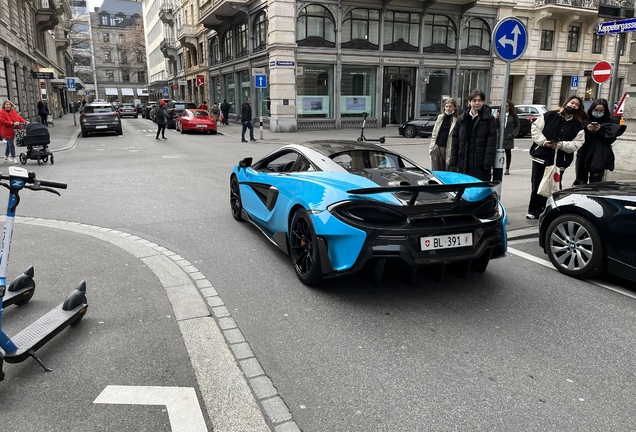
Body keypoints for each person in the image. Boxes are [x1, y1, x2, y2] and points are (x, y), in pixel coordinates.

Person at [526, 95, 586, 219]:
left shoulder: (577, 125)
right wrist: (544, 142)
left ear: (578, 109)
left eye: (576, 105)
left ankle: (550, 211)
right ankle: (534, 210)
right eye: (572, 103)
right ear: (566, 103)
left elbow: (577, 143)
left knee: (554, 186)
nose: (573, 106)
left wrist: (561, 145)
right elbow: (535, 128)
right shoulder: (550, 116)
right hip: (541, 156)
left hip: (560, 160)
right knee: (537, 184)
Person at [449, 89, 497, 181]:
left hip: (480, 164)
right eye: (474, 100)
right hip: (464, 163)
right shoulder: (462, 119)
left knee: (479, 191)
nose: (477, 103)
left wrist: (487, 163)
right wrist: (453, 162)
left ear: (483, 102)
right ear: (469, 102)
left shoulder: (489, 119)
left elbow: (491, 142)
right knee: (464, 191)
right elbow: (455, 142)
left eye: (480, 100)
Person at [574, 98, 625, 184]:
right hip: (583, 154)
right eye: (596, 110)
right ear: (592, 109)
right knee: (580, 181)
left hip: (599, 156)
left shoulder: (609, 122)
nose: (598, 113)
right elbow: (577, 137)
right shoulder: (585, 120)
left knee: (595, 182)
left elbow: (611, 139)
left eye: (601, 111)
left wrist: (600, 130)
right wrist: (588, 130)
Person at [428, 98, 458, 171]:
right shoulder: (440, 117)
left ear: (454, 107)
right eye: (446, 106)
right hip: (437, 148)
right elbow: (434, 133)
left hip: (449, 149)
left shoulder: (457, 119)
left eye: (450, 106)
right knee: (436, 172)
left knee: (447, 171)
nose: (448, 108)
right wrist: (432, 149)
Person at [500, 100, 520, 175]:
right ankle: (495, 167)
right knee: (497, 152)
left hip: (508, 136)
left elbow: (517, 126)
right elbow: (495, 125)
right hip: (500, 136)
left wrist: (513, 134)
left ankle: (507, 168)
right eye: (503, 106)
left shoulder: (513, 115)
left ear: (510, 107)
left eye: (507, 106)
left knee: (508, 152)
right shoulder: (500, 114)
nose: (505, 108)